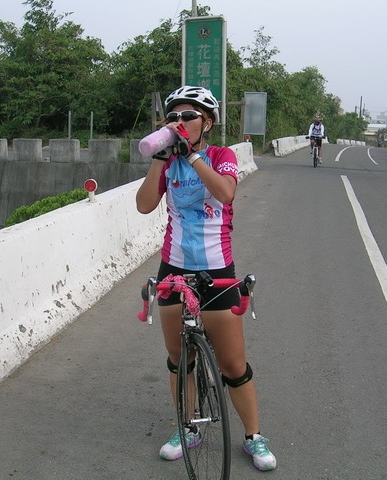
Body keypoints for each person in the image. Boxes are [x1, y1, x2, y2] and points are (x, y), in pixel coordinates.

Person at [135, 85, 277, 472]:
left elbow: (226, 193)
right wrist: (158, 160)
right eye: (173, 117)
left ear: (207, 123)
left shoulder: (220, 156)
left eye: (188, 116)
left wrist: (193, 156)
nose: (178, 122)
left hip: (216, 270)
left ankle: (253, 435)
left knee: (232, 364)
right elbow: (144, 205)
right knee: (179, 359)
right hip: (173, 268)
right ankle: (186, 427)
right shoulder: (167, 164)